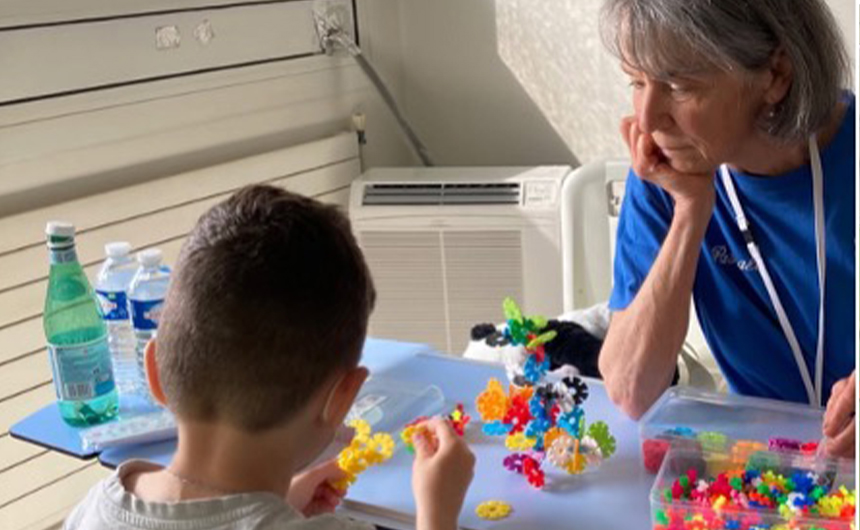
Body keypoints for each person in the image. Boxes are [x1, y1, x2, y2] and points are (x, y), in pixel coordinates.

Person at [63, 185, 475, 530]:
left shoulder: (93, 509)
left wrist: (277, 507)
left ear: (154, 371)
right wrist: (437, 513)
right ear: (342, 400)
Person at [597, 0, 856, 458]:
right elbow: (632, 390)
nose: (648, 119)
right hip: (763, 470)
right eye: (637, 82)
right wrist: (690, 211)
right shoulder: (666, 175)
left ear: (775, 74)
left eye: (678, 85)